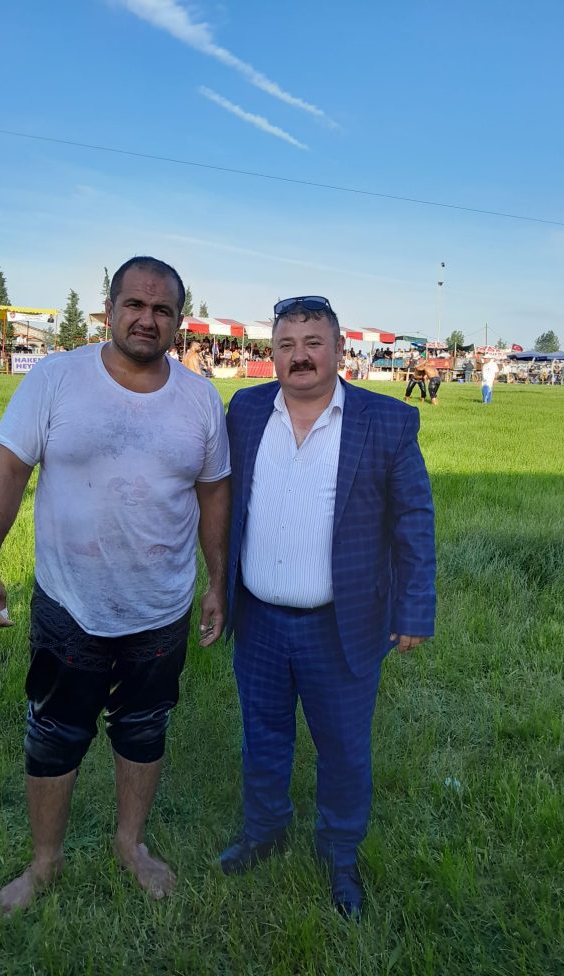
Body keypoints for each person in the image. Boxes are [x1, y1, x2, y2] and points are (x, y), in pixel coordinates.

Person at [0, 256, 230, 916]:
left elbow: (214, 494)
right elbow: (8, 469)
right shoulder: (56, 379)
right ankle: (45, 863)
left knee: (143, 728)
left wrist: (218, 581)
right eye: (134, 304)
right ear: (109, 310)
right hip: (70, 605)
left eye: (162, 309)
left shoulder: (200, 399)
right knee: (55, 732)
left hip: (161, 607)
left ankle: (129, 844)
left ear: (178, 320)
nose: (147, 318)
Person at [220, 296, 436, 918]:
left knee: (343, 748)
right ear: (272, 355)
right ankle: (264, 831)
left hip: (342, 624)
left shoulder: (385, 420)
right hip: (259, 618)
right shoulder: (246, 410)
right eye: (286, 345)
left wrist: (414, 608)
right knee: (263, 738)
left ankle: (340, 854)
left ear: (340, 350)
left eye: (313, 343)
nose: (300, 356)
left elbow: (414, 520)